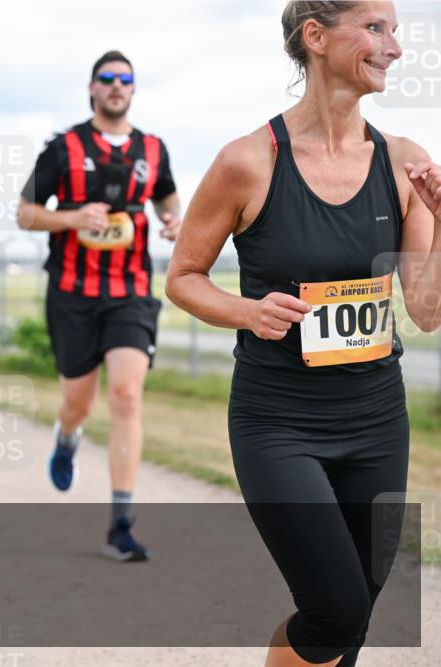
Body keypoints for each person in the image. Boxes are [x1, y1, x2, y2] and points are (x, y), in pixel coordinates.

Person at [165, 3, 440, 665]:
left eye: (395, 32)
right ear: (315, 37)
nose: (394, 48)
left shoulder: (405, 163)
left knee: (354, 613)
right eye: (375, 27)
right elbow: (184, 276)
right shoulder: (247, 161)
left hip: (377, 418)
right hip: (278, 419)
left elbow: (427, 310)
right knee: (336, 607)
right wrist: (247, 311)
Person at [17, 50, 182, 561]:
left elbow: (168, 199)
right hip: (71, 294)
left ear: (133, 90)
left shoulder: (153, 149)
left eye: (125, 80)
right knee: (78, 403)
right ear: (92, 88)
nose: (116, 86)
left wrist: (174, 220)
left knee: (128, 397)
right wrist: (71, 219)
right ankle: (67, 437)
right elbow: (25, 214)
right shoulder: (63, 147)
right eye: (107, 79)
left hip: (130, 291)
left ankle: (121, 525)